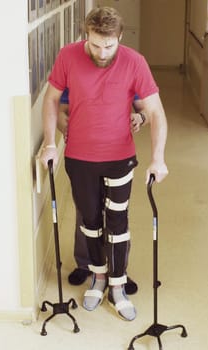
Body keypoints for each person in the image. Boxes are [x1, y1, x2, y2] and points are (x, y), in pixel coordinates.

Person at [40, 6, 168, 321]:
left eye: (109, 46)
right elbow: (52, 99)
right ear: (87, 35)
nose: (102, 52)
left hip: (120, 159)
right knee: (90, 223)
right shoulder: (68, 56)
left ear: (119, 38)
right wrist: (49, 143)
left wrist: (158, 158)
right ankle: (97, 278)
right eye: (96, 45)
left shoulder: (134, 62)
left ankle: (118, 284)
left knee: (117, 224)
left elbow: (155, 112)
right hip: (80, 159)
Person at [58, 88, 144, 295]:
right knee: (86, 213)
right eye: (97, 51)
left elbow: (146, 109)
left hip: (116, 155)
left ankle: (118, 271)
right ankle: (85, 264)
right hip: (84, 155)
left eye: (107, 51)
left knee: (118, 216)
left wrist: (140, 117)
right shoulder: (76, 74)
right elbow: (62, 110)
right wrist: (65, 126)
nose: (102, 53)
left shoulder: (126, 72)